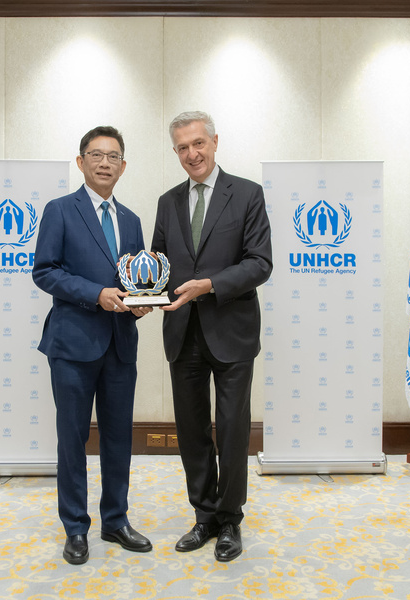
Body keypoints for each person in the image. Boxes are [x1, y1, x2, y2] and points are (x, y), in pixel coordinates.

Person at [151, 111, 273, 562]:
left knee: (234, 428)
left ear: (215, 142)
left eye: (198, 143)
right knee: (191, 429)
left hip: (232, 330)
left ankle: (229, 519)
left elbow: (260, 262)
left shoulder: (247, 194)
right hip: (182, 330)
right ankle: (203, 515)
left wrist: (210, 285)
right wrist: (143, 293)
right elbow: (159, 263)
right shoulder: (167, 201)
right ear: (176, 151)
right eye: (182, 147)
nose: (192, 154)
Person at [33, 126, 153, 565]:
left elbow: (138, 279)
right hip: (72, 344)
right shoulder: (60, 210)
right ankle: (75, 528)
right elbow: (45, 271)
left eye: (113, 156)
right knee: (73, 439)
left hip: (121, 344)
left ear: (124, 166)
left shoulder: (132, 220)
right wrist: (95, 293)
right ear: (81, 161)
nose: (105, 163)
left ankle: (115, 520)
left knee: (119, 437)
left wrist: (142, 304)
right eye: (96, 155)